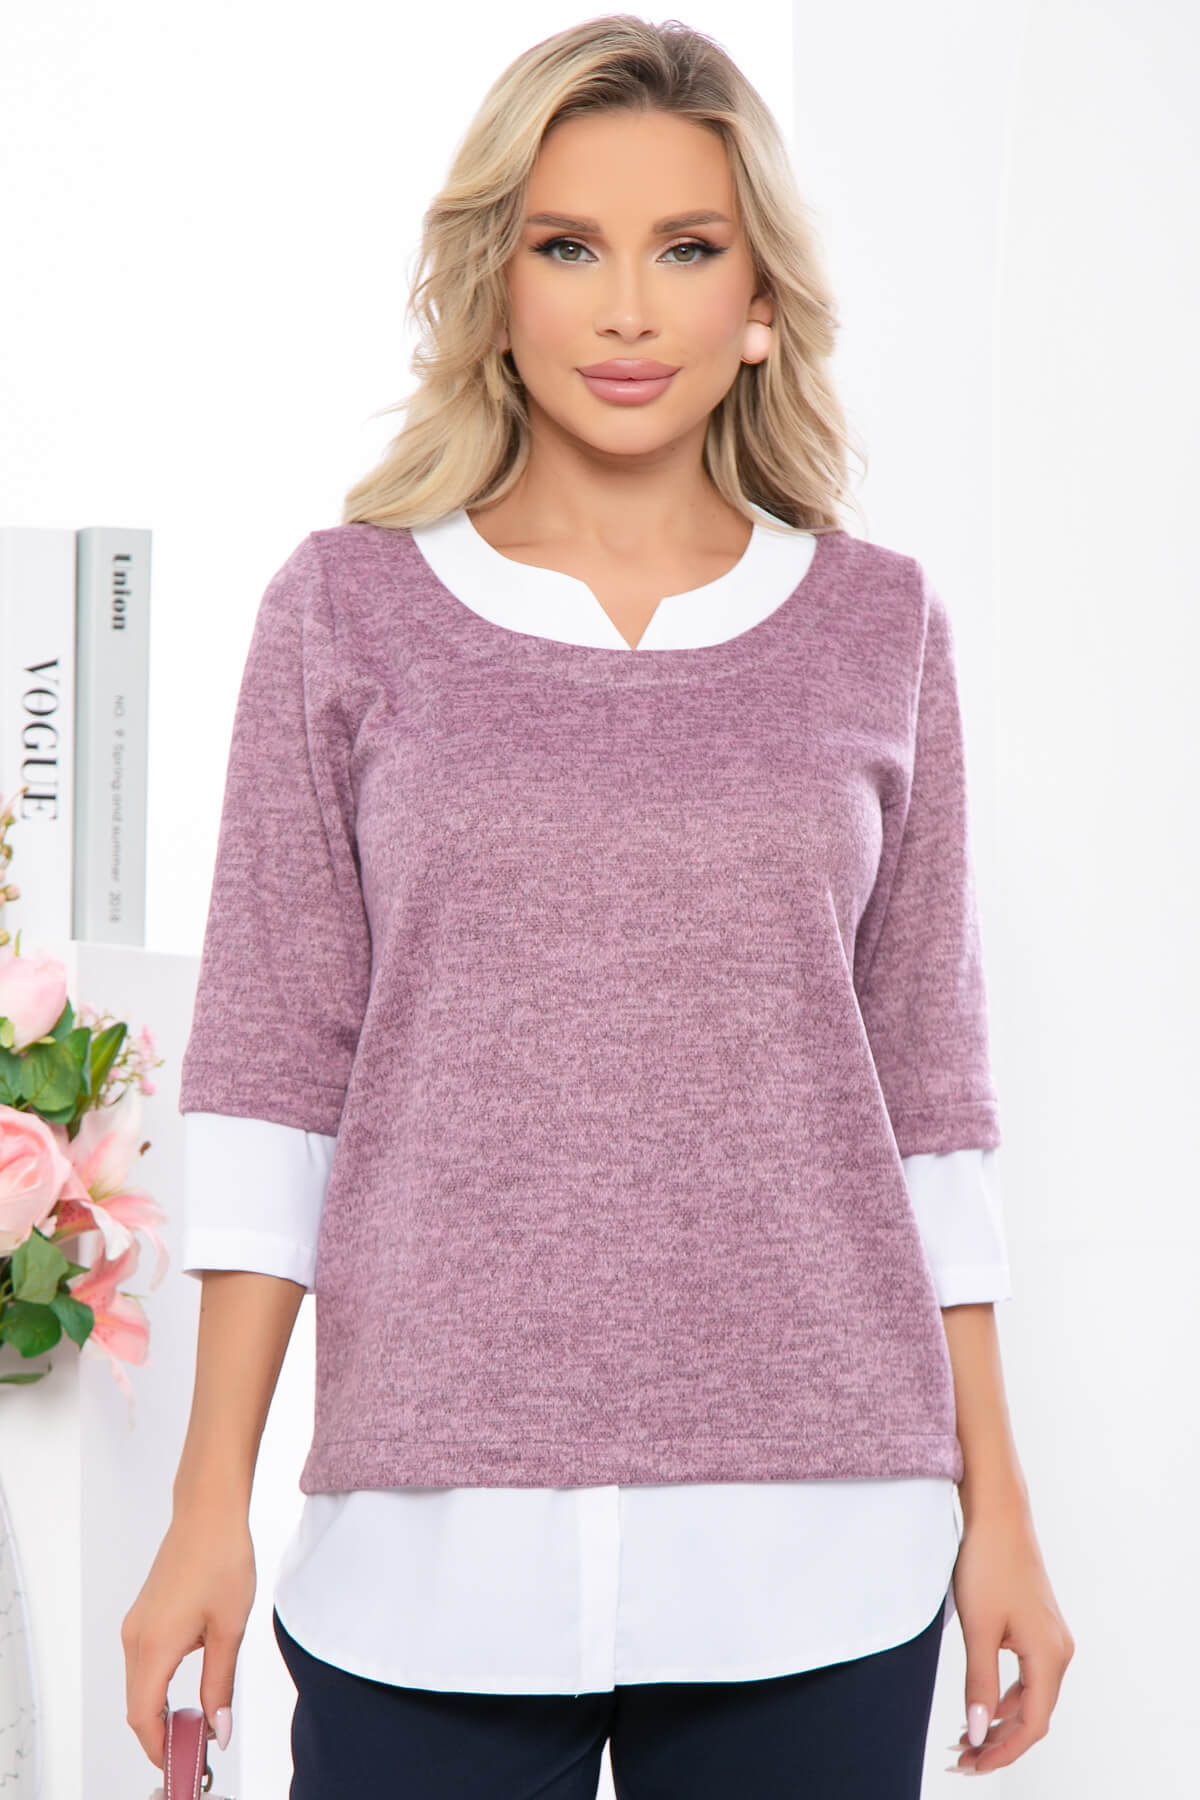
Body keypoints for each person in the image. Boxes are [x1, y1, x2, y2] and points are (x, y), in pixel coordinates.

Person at [121, 16, 1074, 1797]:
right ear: (495, 288)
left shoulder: (882, 628)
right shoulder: (345, 613)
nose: (628, 310)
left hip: (823, 1544)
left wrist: (1001, 1511)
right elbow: (273, 1082)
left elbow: (930, 1104)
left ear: (762, 301)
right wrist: (204, 1514)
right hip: (428, 1557)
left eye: (686, 249)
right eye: (568, 248)